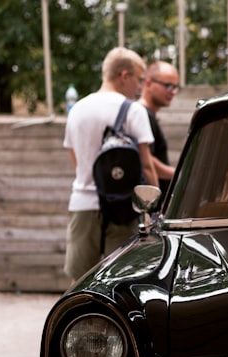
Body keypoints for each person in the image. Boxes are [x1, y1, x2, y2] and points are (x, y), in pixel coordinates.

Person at [62, 47, 158, 282]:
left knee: (80, 283)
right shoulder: (134, 111)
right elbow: (146, 166)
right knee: (122, 282)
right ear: (124, 75)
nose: (139, 87)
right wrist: (156, 207)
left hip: (83, 205)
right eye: (138, 79)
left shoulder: (77, 110)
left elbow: (77, 163)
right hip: (123, 208)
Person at [139, 60, 180, 196]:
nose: (173, 92)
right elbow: (147, 159)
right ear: (148, 83)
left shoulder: (147, 114)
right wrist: (181, 174)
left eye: (175, 87)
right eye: (168, 86)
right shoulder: (141, 113)